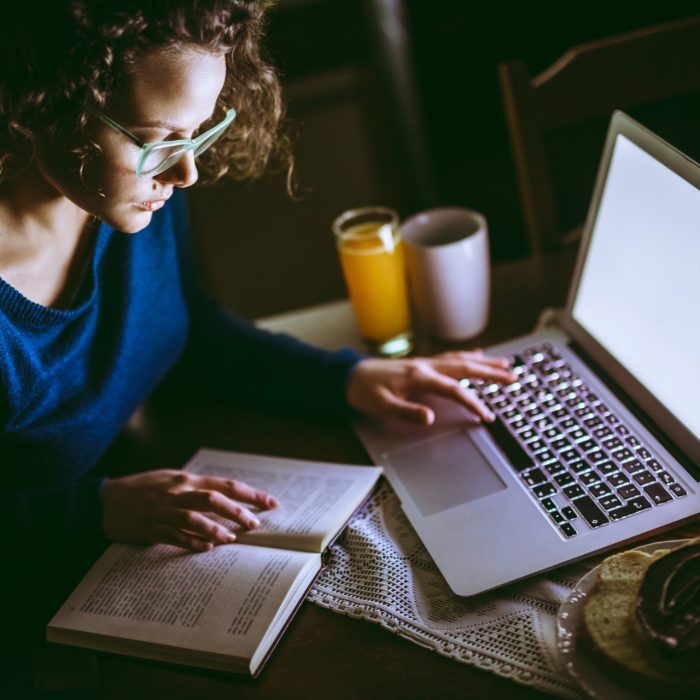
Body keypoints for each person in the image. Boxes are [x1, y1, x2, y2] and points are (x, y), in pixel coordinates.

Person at [0, 1, 515, 694]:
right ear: (39, 107)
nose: (187, 175)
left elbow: (191, 332)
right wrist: (94, 509)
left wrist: (351, 379)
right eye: (157, 140)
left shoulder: (124, 194)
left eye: (200, 133)